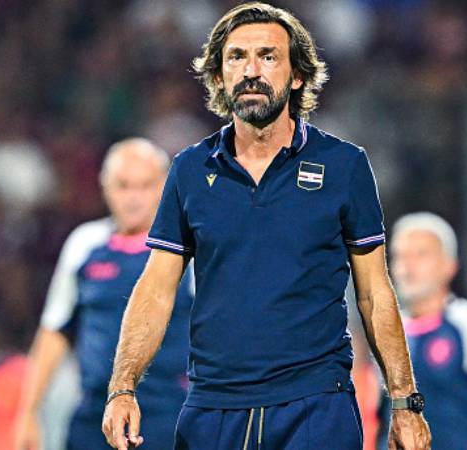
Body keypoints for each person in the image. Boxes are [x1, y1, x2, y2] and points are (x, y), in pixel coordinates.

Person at [103, 4, 431, 450]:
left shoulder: (344, 166)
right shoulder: (190, 170)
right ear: (218, 76)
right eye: (236, 57)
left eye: (268, 56)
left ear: (297, 76)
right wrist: (122, 388)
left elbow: (374, 291)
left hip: (316, 404)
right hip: (213, 407)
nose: (251, 71)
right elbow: (157, 288)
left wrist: (405, 402)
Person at [15, 138, 194, 450]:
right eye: (123, 186)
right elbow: (55, 330)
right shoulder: (85, 244)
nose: (133, 198)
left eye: (144, 186)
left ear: (164, 187)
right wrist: (28, 412)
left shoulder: (188, 250)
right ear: (105, 187)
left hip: (166, 415)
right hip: (94, 416)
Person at [378, 212, 467, 450]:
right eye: (399, 256)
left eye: (420, 255)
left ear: (449, 265)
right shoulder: (383, 330)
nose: (407, 266)